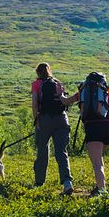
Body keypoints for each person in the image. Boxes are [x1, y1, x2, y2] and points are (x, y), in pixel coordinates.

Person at [62, 72, 109, 195]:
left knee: (97, 163)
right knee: (98, 159)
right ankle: (100, 185)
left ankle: (101, 191)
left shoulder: (82, 93)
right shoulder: (107, 95)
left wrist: (59, 94)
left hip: (93, 128)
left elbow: (66, 101)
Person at [32, 62, 74, 195]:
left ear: (37, 72)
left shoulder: (37, 84)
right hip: (61, 118)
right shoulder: (57, 82)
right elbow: (64, 101)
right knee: (61, 151)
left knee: (42, 149)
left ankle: (39, 182)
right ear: (50, 71)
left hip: (45, 119)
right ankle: (67, 182)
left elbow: (34, 104)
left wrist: (37, 121)